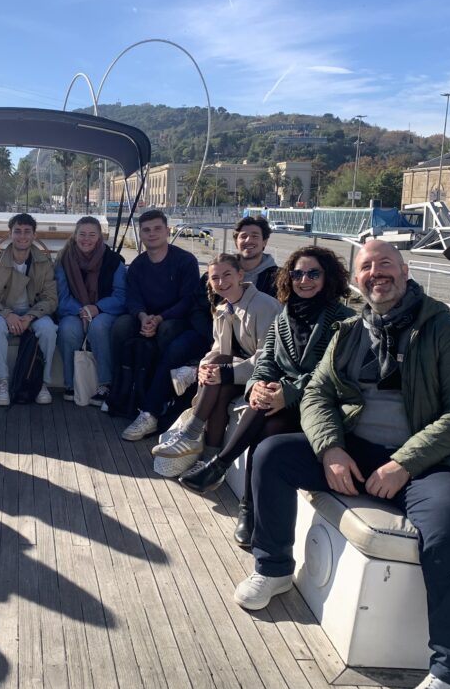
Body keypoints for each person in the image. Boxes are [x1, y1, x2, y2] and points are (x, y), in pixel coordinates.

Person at [233, 240, 450, 689]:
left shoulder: (446, 331)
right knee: (271, 454)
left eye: (385, 264)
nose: (376, 274)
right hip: (355, 451)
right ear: (357, 279)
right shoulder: (351, 332)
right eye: (367, 267)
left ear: (406, 271)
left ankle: (449, 674)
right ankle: (273, 568)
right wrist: (330, 447)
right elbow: (317, 395)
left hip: (428, 463)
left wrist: (404, 463)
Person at [178, 246, 353, 548]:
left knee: (266, 423)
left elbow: (333, 375)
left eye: (313, 273)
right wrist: (258, 385)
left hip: (321, 405)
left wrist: (288, 392)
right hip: (280, 400)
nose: (304, 280)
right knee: (263, 415)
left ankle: (222, 471)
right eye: (297, 274)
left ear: (328, 277)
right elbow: (267, 360)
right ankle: (247, 508)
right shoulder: (286, 316)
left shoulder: (344, 320)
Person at [150, 253, 279, 461]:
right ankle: (209, 459)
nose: (221, 282)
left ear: (240, 275)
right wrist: (203, 368)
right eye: (215, 278)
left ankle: (191, 434)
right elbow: (218, 349)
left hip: (265, 374)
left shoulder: (265, 306)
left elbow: (268, 357)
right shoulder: (221, 309)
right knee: (217, 377)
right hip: (239, 373)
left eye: (227, 275)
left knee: (219, 367)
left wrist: (225, 372)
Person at [112, 209, 201, 440]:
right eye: (146, 230)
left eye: (157, 229)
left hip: (176, 321)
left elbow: (188, 299)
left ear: (167, 231)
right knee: (121, 326)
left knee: (167, 331)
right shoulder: (139, 265)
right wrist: (142, 317)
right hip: (146, 318)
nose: (152, 234)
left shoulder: (185, 261)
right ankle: (119, 390)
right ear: (140, 234)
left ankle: (152, 399)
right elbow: (133, 298)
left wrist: (159, 319)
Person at [0, 213, 58, 406]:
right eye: (17, 231)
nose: (22, 236)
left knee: (48, 329)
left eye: (27, 231)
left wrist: (29, 316)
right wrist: (7, 315)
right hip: (2, 313)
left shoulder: (44, 264)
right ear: (10, 234)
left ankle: (42, 383)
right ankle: (2, 382)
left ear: (34, 235)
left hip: (33, 312)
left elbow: (51, 299)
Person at [54, 216, 126, 405]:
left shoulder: (114, 262)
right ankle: (71, 383)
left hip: (106, 311)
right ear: (75, 236)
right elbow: (61, 297)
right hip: (73, 310)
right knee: (68, 329)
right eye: (82, 234)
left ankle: (105, 383)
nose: (87, 239)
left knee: (99, 327)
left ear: (99, 237)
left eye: (92, 234)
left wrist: (97, 308)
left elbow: (121, 296)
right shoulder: (64, 260)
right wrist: (83, 310)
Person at [233, 216, 279, 298]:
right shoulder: (218, 273)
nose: (248, 240)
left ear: (264, 242)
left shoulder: (279, 279)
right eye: (243, 236)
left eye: (255, 236)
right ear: (236, 243)